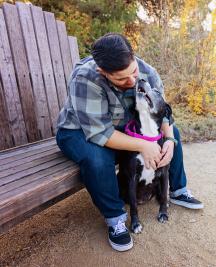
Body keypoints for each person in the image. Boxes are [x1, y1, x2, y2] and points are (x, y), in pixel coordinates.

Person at [56, 33, 203, 252]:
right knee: (97, 158)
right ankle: (115, 218)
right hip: (78, 131)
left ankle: (178, 189)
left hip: (121, 129)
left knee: (174, 134)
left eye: (133, 72)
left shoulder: (147, 71)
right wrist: (144, 145)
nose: (132, 81)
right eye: (122, 79)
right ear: (102, 72)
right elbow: (100, 133)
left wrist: (169, 140)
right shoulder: (86, 78)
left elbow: (162, 114)